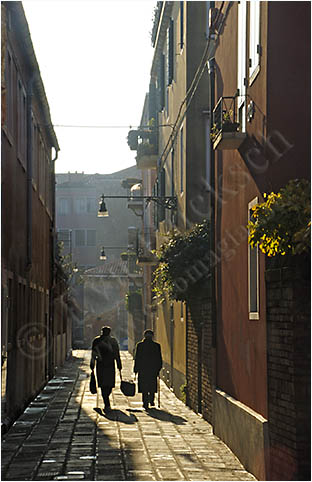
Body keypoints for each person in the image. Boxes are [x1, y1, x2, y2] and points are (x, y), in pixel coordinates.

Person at [90, 326, 122, 412]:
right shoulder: (112, 341)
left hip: (102, 365)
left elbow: (93, 354)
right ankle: (106, 402)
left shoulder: (97, 341)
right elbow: (117, 354)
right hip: (108, 365)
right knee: (107, 384)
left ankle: (106, 399)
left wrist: (92, 364)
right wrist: (119, 365)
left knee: (106, 384)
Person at [134, 329, 162, 409]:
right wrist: (158, 368)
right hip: (152, 369)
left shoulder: (140, 345)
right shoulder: (156, 346)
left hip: (143, 369)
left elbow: (137, 358)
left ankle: (145, 402)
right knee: (152, 385)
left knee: (144, 386)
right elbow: (159, 358)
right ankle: (151, 400)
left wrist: (136, 369)